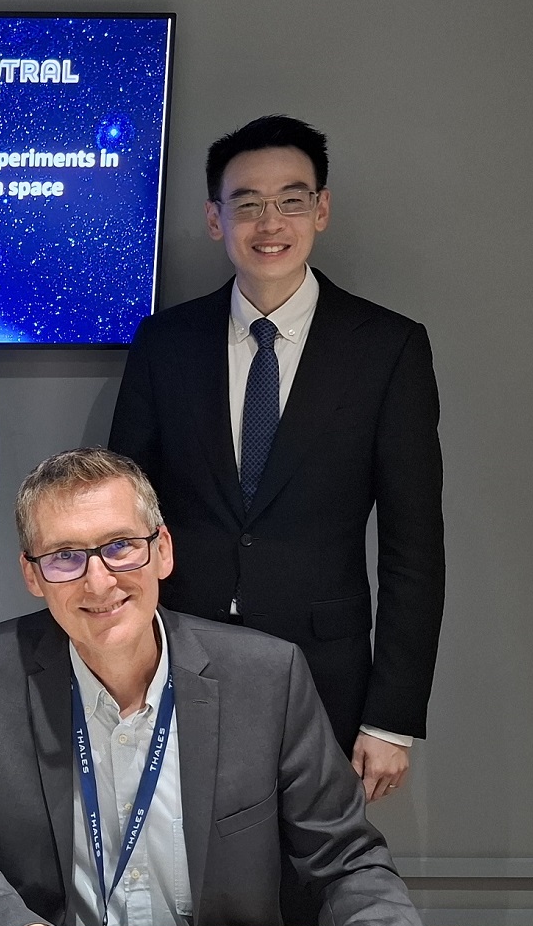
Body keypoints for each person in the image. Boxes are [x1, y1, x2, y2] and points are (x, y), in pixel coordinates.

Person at [0, 449, 432, 926]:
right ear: (33, 576)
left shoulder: (266, 677)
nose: (99, 581)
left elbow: (349, 859)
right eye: (64, 557)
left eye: (120, 546)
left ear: (162, 550)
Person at [109, 115, 444, 802]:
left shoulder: (388, 348)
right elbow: (122, 514)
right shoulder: (165, 343)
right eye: (248, 204)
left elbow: (414, 548)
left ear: (321, 209)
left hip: (324, 670)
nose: (270, 223)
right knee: (178, 853)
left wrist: (392, 716)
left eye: (291, 200)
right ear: (215, 218)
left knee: (304, 859)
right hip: (178, 655)